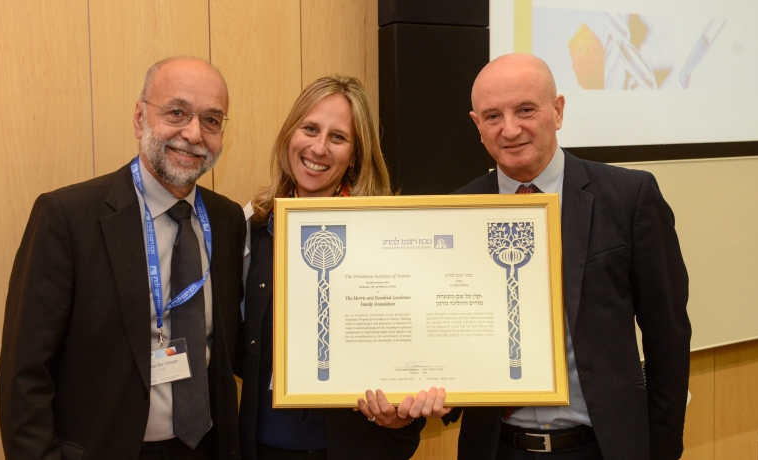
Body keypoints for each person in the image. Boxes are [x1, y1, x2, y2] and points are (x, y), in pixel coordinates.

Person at [441, 54, 691, 459]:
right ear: (477, 126)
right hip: (497, 448)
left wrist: (661, 449)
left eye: (525, 109)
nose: (510, 129)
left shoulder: (629, 197)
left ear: (557, 111)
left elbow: (668, 337)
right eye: (492, 116)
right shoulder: (457, 211)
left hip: (601, 447)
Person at [0, 57, 247, 460]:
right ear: (139, 118)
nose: (193, 133)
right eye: (177, 112)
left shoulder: (228, 219)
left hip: (206, 448)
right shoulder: (67, 217)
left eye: (212, 120)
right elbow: (23, 376)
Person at [239, 75, 440, 460]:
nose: (319, 147)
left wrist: (400, 409)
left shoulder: (388, 234)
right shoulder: (254, 226)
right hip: (263, 446)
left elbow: (412, 347)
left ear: (355, 156)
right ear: (289, 135)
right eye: (310, 129)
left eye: (338, 137)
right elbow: (239, 344)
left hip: (357, 447)